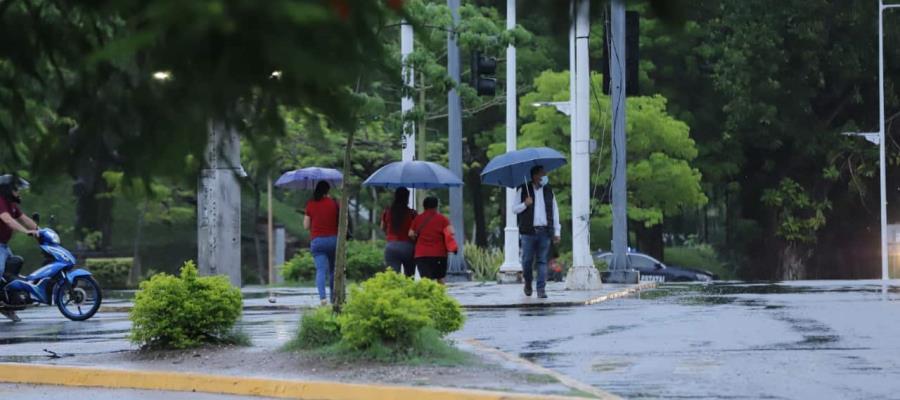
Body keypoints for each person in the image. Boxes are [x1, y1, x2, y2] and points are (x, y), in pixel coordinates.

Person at [513, 165, 560, 299]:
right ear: (535, 176)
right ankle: (528, 282)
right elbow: (514, 209)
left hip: (544, 231)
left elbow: (555, 211)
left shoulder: (548, 191)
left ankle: (541, 289)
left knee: (542, 261)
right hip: (528, 232)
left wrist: (557, 231)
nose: (544, 176)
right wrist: (525, 204)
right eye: (542, 174)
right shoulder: (523, 189)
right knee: (527, 261)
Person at [0, 174, 37, 322]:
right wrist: (25, 231)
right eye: (16, 189)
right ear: (7, 190)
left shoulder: (11, 204)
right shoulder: (0, 201)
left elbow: (25, 219)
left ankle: (6, 306)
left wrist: (41, 231)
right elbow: (7, 220)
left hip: (3, 246)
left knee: (12, 274)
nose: (18, 192)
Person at [304, 181, 339, 306]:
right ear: (327, 191)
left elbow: (306, 226)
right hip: (334, 241)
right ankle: (334, 298)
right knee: (333, 271)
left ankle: (323, 298)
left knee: (321, 270)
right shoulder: (334, 203)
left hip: (318, 241)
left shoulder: (310, 204)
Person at [409, 196, 455, 284]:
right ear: (436, 206)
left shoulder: (418, 218)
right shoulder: (443, 219)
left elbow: (410, 233)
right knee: (440, 278)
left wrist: (416, 238)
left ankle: (428, 296)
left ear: (424, 206)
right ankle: (441, 296)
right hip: (439, 254)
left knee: (425, 280)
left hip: (421, 254)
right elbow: (451, 232)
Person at [381, 188, 417, 277]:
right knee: (409, 276)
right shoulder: (412, 213)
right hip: (408, 247)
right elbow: (416, 231)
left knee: (393, 278)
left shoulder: (387, 211)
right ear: (407, 198)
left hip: (391, 246)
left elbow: (382, 227)